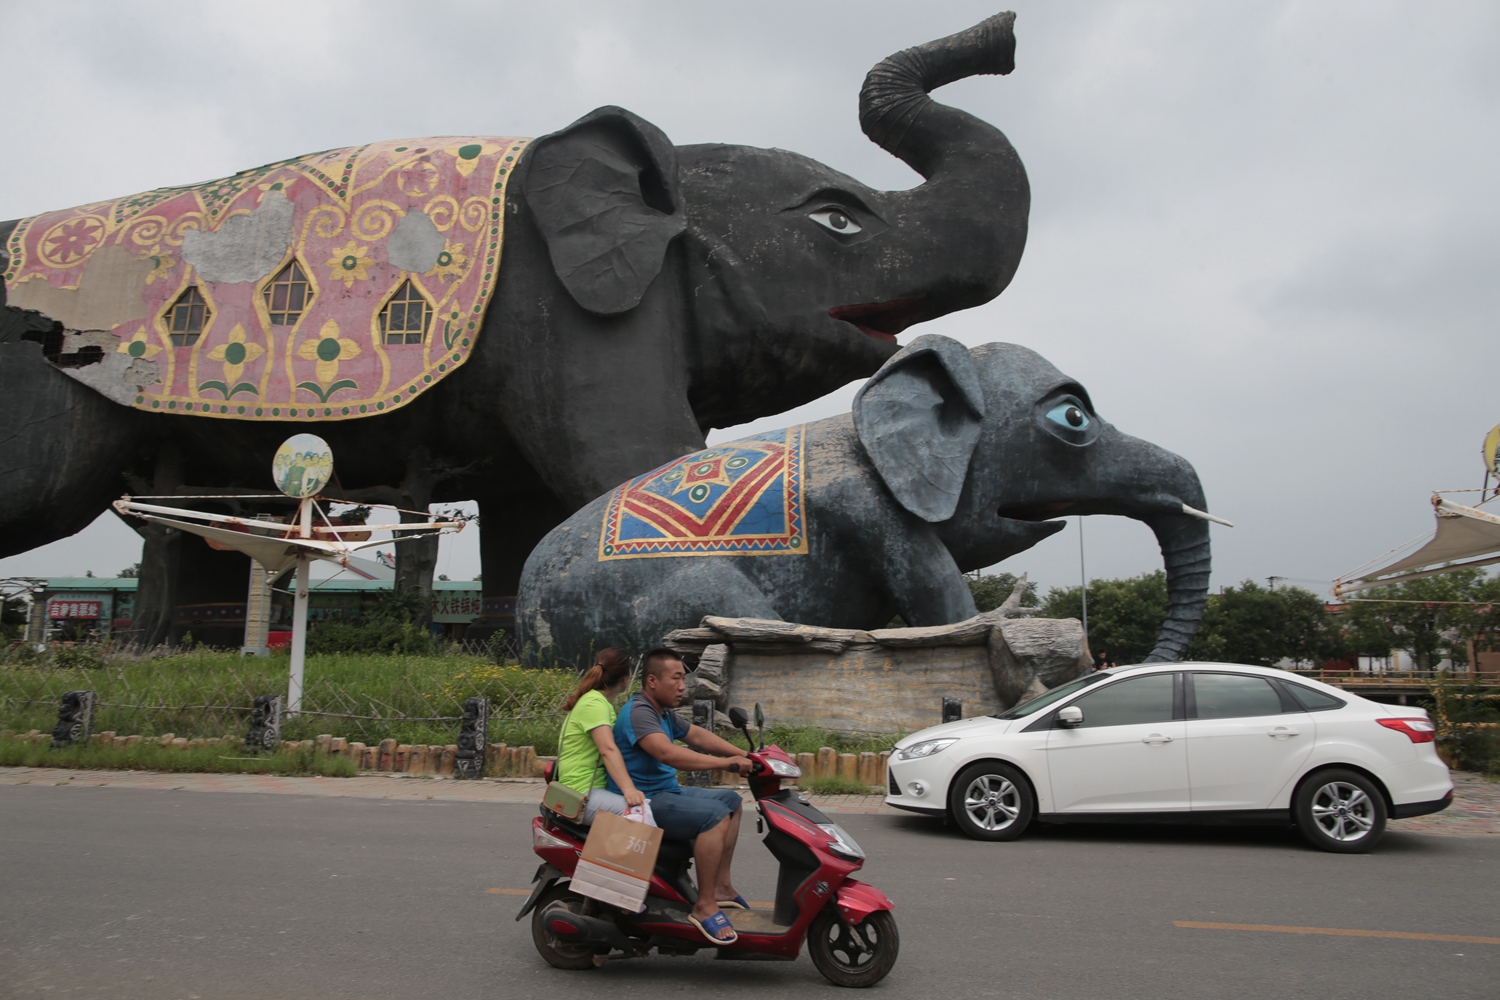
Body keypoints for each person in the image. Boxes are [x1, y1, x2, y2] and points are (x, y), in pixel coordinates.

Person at [612, 648, 753, 945]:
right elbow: (668, 753)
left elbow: (698, 736)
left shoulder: (661, 712)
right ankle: (704, 906)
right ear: (652, 681)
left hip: (666, 791)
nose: (682, 686)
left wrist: (745, 753)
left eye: (683, 679)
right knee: (713, 816)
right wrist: (726, 764)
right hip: (645, 799)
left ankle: (721, 888)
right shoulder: (639, 712)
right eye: (676, 679)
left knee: (731, 802)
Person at [554, 648, 653, 826]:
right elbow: (607, 749)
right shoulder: (594, 703)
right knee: (641, 812)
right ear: (626, 678)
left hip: (591, 788)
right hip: (580, 792)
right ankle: (642, 855)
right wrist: (629, 789)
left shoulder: (598, 702)